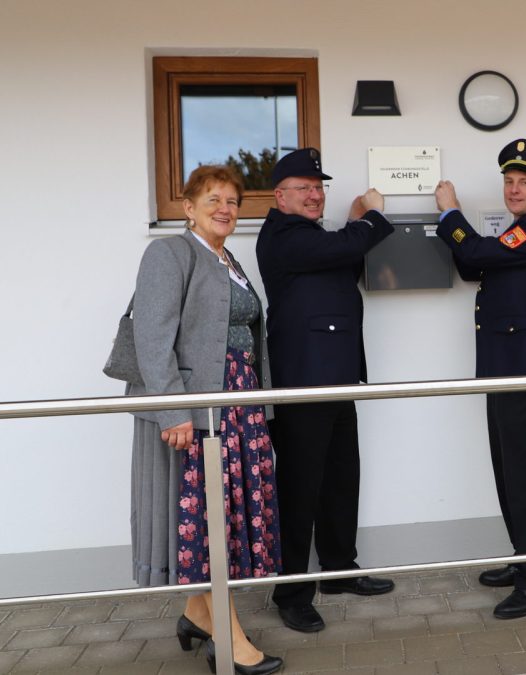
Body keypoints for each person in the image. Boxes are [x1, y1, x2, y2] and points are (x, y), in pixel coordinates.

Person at [129, 165, 283, 674]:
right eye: (212, 199)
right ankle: (229, 637)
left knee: (230, 515)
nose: (225, 208)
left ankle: (198, 612)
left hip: (238, 407)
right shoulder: (169, 252)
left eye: (234, 201)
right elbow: (152, 336)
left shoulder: (228, 259)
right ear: (188, 207)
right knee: (208, 519)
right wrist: (172, 410)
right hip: (198, 411)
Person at [256, 148, 395, 633]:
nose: (315, 195)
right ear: (280, 196)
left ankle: (338, 569)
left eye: (319, 188)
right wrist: (372, 214)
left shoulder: (313, 236)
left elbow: (343, 254)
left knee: (340, 475)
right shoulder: (282, 237)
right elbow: (345, 248)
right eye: (304, 188)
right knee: (300, 488)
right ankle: (291, 592)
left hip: (335, 376)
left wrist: (354, 225)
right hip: (303, 383)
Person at [433, 139, 526, 619]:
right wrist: (473, 247)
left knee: (524, 472)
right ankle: (525, 557)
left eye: (524, 182)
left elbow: (479, 254)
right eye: (509, 181)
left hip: (525, 365)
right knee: (507, 467)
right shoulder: (520, 228)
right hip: (504, 362)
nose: (514, 189)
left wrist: (450, 214)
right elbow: (480, 263)